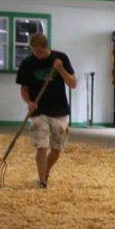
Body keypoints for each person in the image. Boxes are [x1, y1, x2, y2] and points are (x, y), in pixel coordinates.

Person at [15, 33, 76, 189]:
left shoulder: (61, 58)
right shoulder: (28, 63)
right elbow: (24, 89)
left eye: (40, 52)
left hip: (59, 110)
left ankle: (46, 171)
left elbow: (73, 83)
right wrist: (29, 102)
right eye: (34, 51)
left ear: (46, 47)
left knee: (56, 150)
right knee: (41, 146)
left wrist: (60, 69)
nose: (37, 55)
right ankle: (42, 182)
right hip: (39, 111)